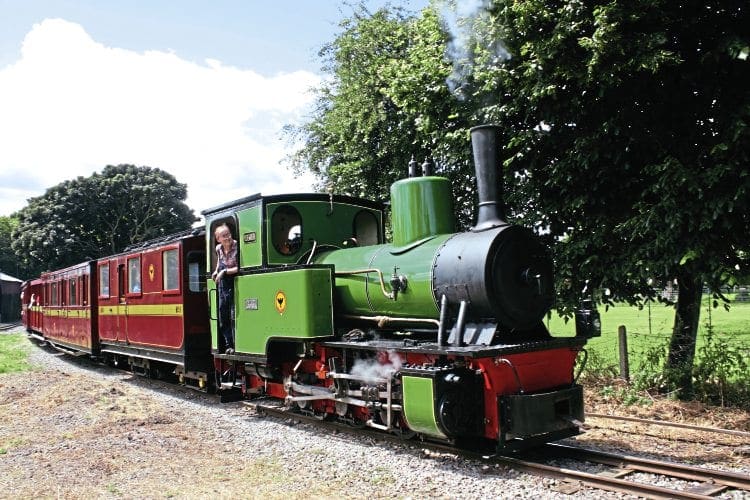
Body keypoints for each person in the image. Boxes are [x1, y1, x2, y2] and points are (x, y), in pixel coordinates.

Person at [211, 223, 238, 354]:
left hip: (234, 281)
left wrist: (224, 272)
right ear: (218, 239)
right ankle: (228, 344)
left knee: (234, 315)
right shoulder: (218, 248)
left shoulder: (237, 246)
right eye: (224, 235)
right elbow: (219, 262)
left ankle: (236, 344)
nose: (227, 237)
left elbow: (240, 267)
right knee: (223, 315)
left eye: (228, 234)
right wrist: (216, 271)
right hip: (223, 284)